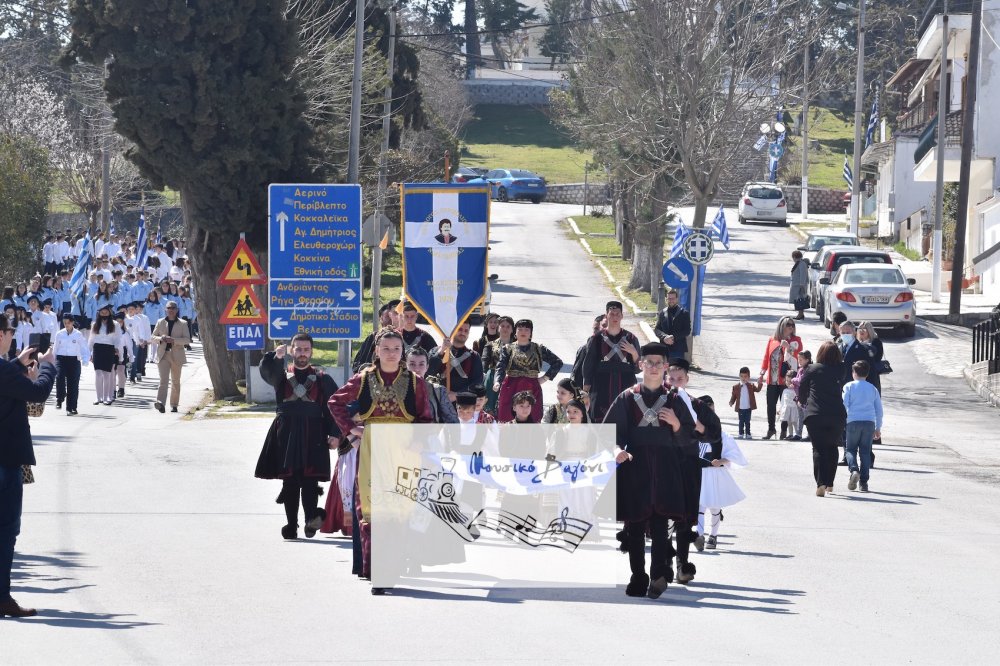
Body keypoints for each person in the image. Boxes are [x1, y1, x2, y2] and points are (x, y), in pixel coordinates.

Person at [327, 328, 434, 591]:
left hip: (404, 453)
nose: (391, 353)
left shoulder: (414, 382)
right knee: (373, 513)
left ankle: (392, 568)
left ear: (402, 352)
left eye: (396, 349)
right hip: (374, 449)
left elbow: (425, 417)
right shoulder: (363, 379)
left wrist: (419, 440)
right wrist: (351, 430)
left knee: (398, 513)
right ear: (376, 350)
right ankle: (377, 572)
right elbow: (334, 402)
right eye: (385, 348)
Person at [604, 342, 696, 599]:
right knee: (634, 526)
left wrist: (677, 424)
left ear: (666, 367)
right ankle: (638, 575)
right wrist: (615, 451)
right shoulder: (627, 397)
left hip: (666, 467)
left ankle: (657, 574)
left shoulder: (676, 399)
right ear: (641, 364)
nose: (654, 367)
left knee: (659, 524)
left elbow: (688, 439)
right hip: (635, 465)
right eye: (649, 362)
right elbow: (608, 433)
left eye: (659, 363)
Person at [255, 334, 340, 539]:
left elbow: (335, 407)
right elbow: (266, 371)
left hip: (314, 434)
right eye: (298, 349)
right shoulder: (281, 376)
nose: (302, 353)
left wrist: (336, 434)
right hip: (286, 434)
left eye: (306, 349)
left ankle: (311, 519)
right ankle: (291, 525)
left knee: (310, 481)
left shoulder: (323, 379)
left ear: (311, 351)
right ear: (292, 350)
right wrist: (275, 357)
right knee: (290, 481)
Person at [0, 314, 56, 618]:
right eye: (10, 331)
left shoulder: (5, 369)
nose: (12, 336)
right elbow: (37, 394)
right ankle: (2, 597)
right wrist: (47, 366)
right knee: (6, 530)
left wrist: (18, 365)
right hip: (5, 460)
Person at [693, 396, 748, 552]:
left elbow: (734, 455)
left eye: (712, 410)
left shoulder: (722, 435)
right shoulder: (693, 432)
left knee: (714, 506)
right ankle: (699, 535)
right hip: (699, 473)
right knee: (700, 505)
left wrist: (722, 460)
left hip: (715, 473)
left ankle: (713, 535)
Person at [798, 341, 847, 497]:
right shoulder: (841, 369)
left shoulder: (812, 369)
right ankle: (830, 483)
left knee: (818, 448)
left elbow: (802, 388)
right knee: (832, 447)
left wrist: (803, 400)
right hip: (836, 415)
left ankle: (820, 483)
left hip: (815, 414)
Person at [494, 319, 563, 423]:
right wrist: (497, 381)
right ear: (515, 332)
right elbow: (501, 366)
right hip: (511, 386)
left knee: (532, 417)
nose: (523, 332)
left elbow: (557, 362)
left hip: (532, 387)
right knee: (507, 417)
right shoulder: (508, 348)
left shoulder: (538, 348)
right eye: (520, 329)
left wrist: (544, 378)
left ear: (531, 333)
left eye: (526, 329)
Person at [582, 301, 640, 423]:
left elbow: (638, 368)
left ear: (622, 316)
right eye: (612, 314)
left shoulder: (631, 338)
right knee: (601, 423)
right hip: (601, 386)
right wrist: (585, 391)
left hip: (625, 385)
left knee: (625, 421)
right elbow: (588, 365)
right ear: (606, 315)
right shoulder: (596, 339)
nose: (615, 317)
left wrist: (633, 352)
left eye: (617, 314)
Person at [759, 316, 803, 440]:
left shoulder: (796, 340)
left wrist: (787, 346)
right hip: (772, 379)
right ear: (781, 326)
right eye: (788, 324)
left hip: (787, 379)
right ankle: (771, 428)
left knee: (786, 405)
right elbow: (766, 357)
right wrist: (762, 373)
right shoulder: (772, 340)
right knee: (771, 405)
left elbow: (798, 353)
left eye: (792, 325)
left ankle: (784, 431)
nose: (791, 327)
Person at [843, 360, 883, 493]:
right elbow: (879, 409)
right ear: (867, 374)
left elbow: (844, 404)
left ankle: (854, 469)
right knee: (865, 452)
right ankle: (864, 483)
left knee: (850, 450)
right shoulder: (873, 388)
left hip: (853, 421)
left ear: (854, 373)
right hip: (869, 422)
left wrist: (843, 420)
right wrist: (878, 427)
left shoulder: (848, 386)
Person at [151, 300, 192, 413]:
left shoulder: (183, 323)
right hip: (163, 354)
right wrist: (161, 338)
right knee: (163, 380)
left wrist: (174, 340)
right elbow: (152, 337)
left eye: (173, 308)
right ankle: (160, 403)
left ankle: (174, 404)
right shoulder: (160, 322)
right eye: (169, 308)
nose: (171, 310)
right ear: (166, 309)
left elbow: (187, 340)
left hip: (177, 355)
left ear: (177, 310)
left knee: (175, 381)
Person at [430, 321, 484, 398]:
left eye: (466, 331)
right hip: (438, 399)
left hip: (462, 404)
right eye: (460, 329)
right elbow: (428, 372)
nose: (463, 332)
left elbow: (477, 382)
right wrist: (441, 351)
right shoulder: (437, 351)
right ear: (453, 330)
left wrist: (457, 395)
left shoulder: (474, 356)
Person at [405, 347, 458, 424]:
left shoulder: (438, 391)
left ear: (427, 367)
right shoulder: (396, 390)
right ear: (406, 366)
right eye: (412, 364)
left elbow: (452, 421)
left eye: (421, 364)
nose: (417, 369)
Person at [53, 313, 90, 415]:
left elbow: (84, 347)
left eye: (68, 323)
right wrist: (52, 360)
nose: (66, 325)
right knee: (59, 377)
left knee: (73, 384)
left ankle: (71, 407)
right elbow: (55, 348)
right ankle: (60, 398)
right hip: (61, 359)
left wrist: (85, 359)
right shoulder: (59, 334)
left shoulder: (78, 334)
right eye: (64, 323)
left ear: (72, 322)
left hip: (74, 360)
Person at [88, 304, 125, 405]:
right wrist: (89, 352)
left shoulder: (115, 324)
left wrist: (117, 348)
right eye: (102, 312)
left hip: (109, 349)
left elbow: (118, 338)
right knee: (98, 373)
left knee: (107, 374)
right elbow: (91, 339)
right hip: (97, 349)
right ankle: (98, 397)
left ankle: (106, 397)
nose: (104, 314)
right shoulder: (94, 324)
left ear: (109, 312)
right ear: (99, 313)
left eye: (106, 312)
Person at [480, 315, 514, 415]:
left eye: (508, 326)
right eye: (502, 326)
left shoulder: (517, 346)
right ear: (498, 328)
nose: (505, 329)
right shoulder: (490, 345)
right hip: (492, 378)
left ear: (512, 329)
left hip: (511, 378)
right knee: (490, 409)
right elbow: (484, 362)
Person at [653, 289, 691, 361]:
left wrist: (673, 337)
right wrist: (664, 337)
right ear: (666, 299)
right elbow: (657, 329)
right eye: (669, 299)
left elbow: (687, 331)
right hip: (664, 349)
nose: (671, 300)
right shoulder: (662, 313)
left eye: (673, 298)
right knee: (663, 372)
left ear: (677, 299)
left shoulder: (684, 313)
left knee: (676, 371)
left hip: (678, 349)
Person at [728, 366, 762, 440]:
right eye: (742, 376)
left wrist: (759, 383)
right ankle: (740, 433)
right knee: (741, 421)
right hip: (740, 408)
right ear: (739, 376)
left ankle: (748, 433)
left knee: (747, 421)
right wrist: (731, 402)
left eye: (745, 376)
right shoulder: (736, 387)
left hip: (748, 407)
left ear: (749, 377)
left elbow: (758, 390)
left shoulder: (751, 386)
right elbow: (734, 396)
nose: (743, 378)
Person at [856, 321, 884, 395]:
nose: (861, 331)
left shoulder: (876, 342)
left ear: (869, 330)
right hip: (858, 374)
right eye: (859, 329)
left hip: (871, 373)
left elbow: (878, 357)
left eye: (864, 329)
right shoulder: (856, 342)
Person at [778, 371, 802, 440]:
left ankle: (798, 434)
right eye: (787, 381)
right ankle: (790, 434)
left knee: (794, 422)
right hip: (787, 409)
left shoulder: (796, 390)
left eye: (790, 381)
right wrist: (780, 409)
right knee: (789, 422)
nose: (788, 383)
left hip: (794, 408)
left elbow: (798, 397)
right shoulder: (785, 390)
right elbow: (782, 401)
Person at [789, 250, 810, 320]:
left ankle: (800, 314)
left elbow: (803, 275)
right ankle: (800, 314)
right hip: (796, 285)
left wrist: (802, 285)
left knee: (800, 300)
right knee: (798, 300)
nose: (793, 259)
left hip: (800, 286)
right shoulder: (798, 263)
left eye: (793, 257)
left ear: (795, 257)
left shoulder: (802, 264)